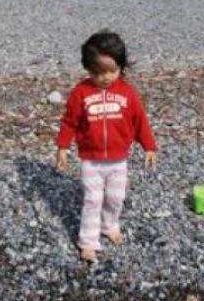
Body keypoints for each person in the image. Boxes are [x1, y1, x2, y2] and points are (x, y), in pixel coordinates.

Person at [55, 30, 158, 263]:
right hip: (91, 160)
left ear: (121, 66)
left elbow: (140, 120)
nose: (106, 77)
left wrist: (149, 146)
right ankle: (88, 241)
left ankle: (109, 224)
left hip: (118, 160)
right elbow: (69, 121)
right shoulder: (81, 92)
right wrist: (62, 146)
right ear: (88, 68)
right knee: (93, 200)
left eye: (112, 71)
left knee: (115, 197)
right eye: (98, 72)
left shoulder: (128, 93)